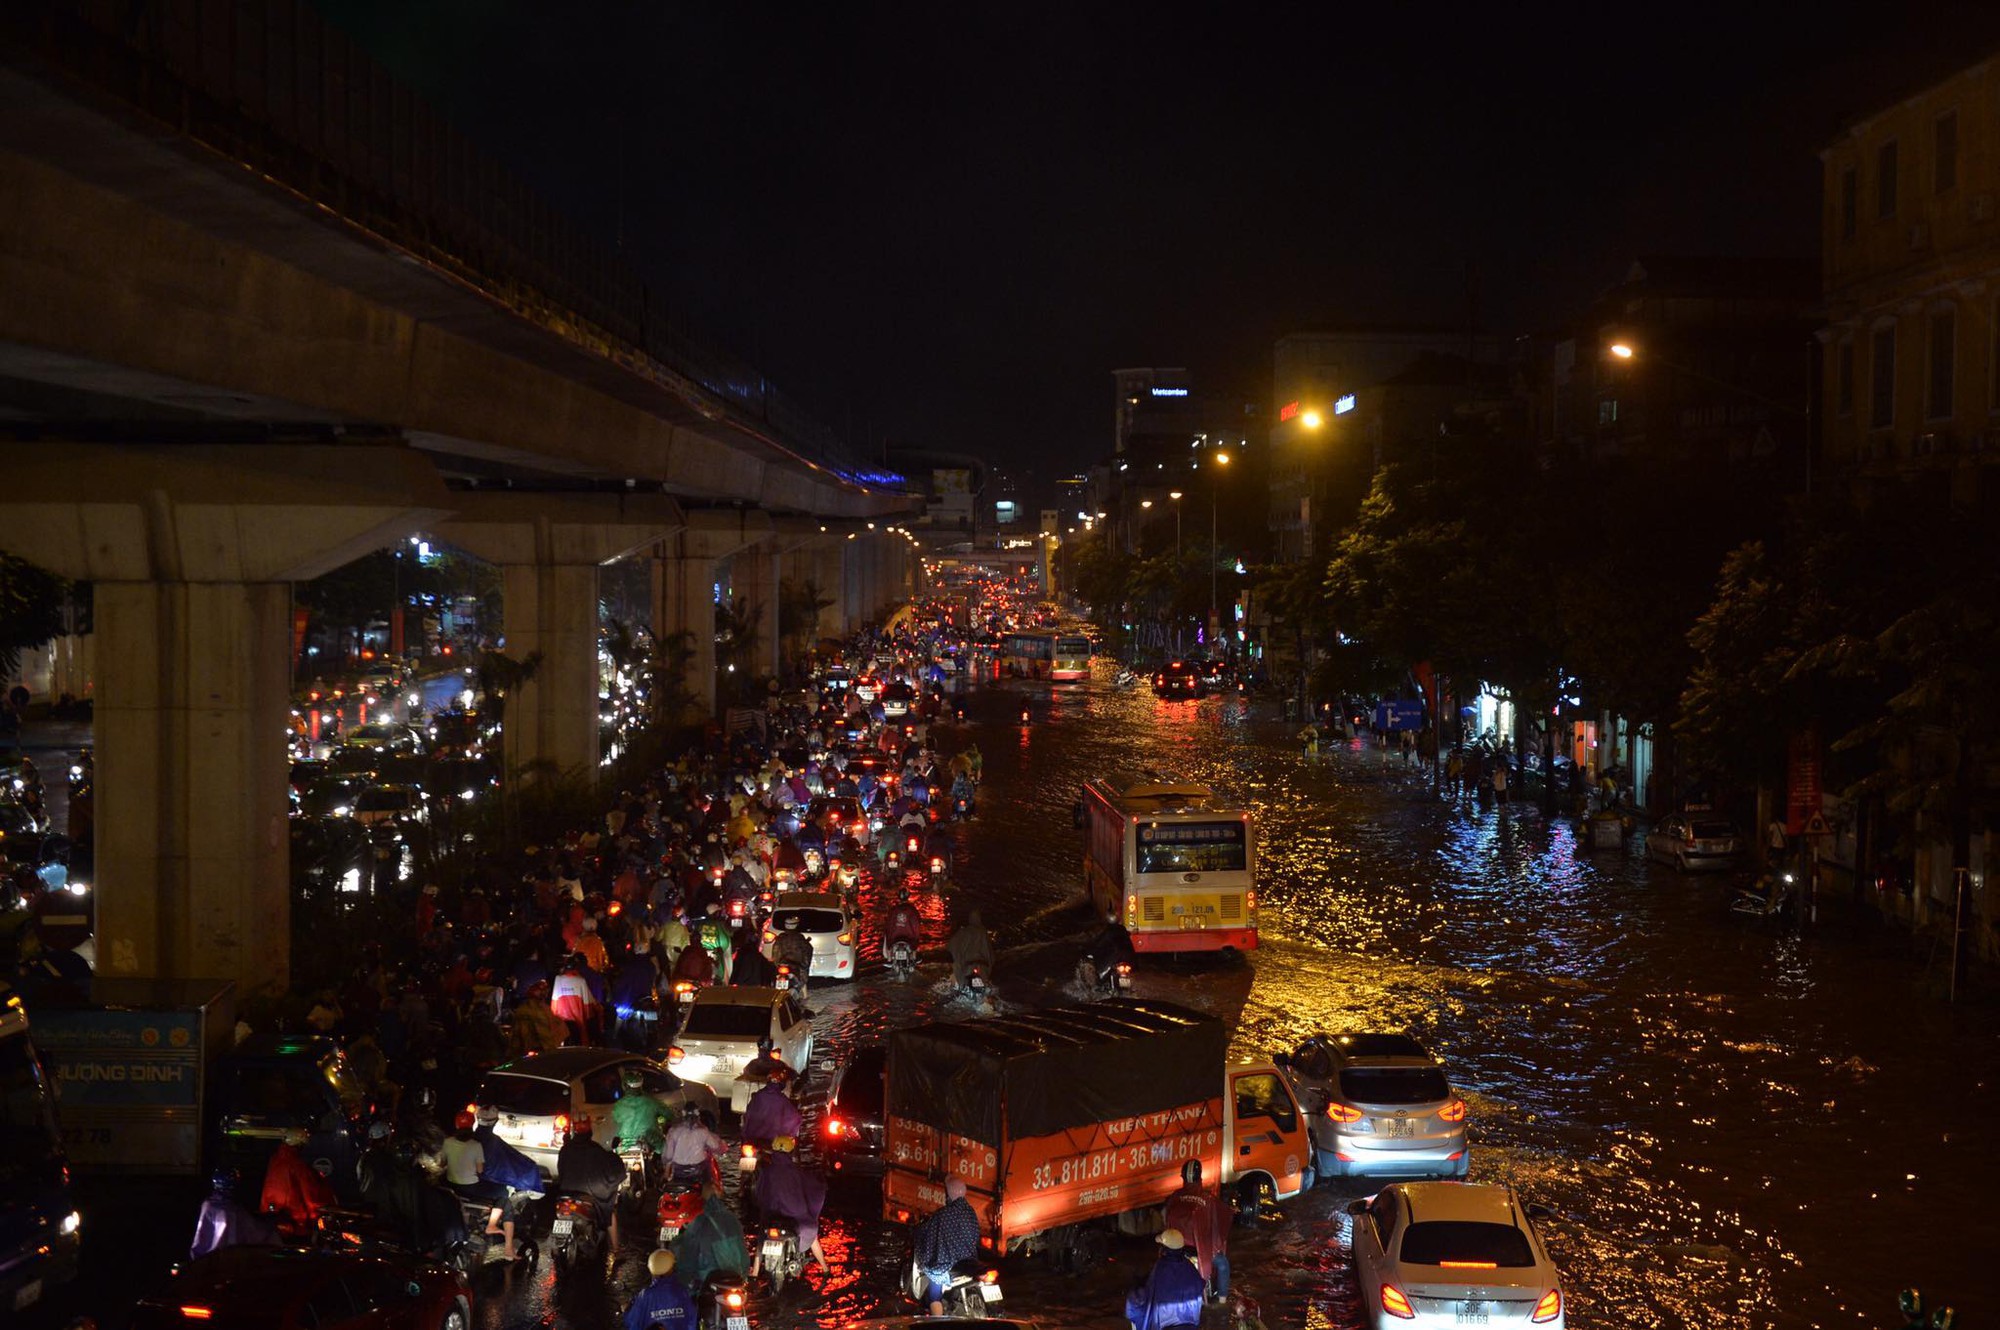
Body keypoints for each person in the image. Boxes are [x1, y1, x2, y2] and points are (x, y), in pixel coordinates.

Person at [748, 1136, 829, 1275]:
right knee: (812, 1233)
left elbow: (759, 1192)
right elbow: (811, 1187)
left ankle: (755, 1271)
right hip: (795, 1215)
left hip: (771, 1213)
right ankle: (825, 1268)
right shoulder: (796, 1172)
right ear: (790, 1152)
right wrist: (821, 1182)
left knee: (762, 1236)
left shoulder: (767, 1171)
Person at [472, 1106, 539, 1261]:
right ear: (494, 1121)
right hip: (479, 1184)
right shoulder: (492, 1142)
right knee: (506, 1200)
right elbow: (508, 1159)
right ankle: (508, 1248)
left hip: (462, 1182)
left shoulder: (469, 1139)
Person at [912, 1176, 983, 1315]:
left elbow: (929, 1236)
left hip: (949, 1264)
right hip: (969, 1261)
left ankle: (937, 1322)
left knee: (934, 1290)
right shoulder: (971, 1213)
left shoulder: (942, 1215)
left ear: (948, 1194)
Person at [556, 1114, 627, 1250]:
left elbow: (561, 1170)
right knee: (609, 1211)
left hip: (566, 1191)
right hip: (589, 1193)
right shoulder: (596, 1150)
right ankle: (616, 1249)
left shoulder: (565, 1149)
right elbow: (611, 1169)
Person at [1162, 1159, 1229, 1300]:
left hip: (1177, 1250)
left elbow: (1166, 1220)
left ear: (1183, 1177)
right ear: (1200, 1177)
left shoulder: (1174, 1197)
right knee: (1223, 1265)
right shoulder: (1209, 1199)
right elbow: (1219, 1224)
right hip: (1201, 1252)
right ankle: (1222, 1302)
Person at [1125, 1228, 1208, 1330]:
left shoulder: (1161, 1268)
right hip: (1190, 1322)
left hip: (1164, 1323)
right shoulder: (1189, 1267)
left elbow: (1150, 1292)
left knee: (1135, 1302)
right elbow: (1200, 1284)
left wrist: (1135, 1292)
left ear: (1164, 1249)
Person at [672, 1180, 748, 1287]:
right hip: (734, 1278)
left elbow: (687, 1253)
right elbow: (742, 1252)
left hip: (707, 1279)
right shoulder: (732, 1219)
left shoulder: (700, 1222)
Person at [190, 1167, 278, 1259]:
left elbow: (199, 1240)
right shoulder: (234, 1210)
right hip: (229, 1260)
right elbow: (256, 1233)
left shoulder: (208, 1205)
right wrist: (271, 1225)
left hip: (210, 1261)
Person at [259, 1140, 337, 1238]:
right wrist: (316, 1217)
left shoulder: (275, 1160)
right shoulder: (298, 1165)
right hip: (295, 1222)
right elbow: (309, 1195)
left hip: (271, 1219)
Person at [625, 1248, 698, 1330]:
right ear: (672, 1268)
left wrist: (628, 1309)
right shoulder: (682, 1291)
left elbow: (632, 1323)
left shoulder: (646, 1295)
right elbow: (692, 1321)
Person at [611, 1066, 672, 1156]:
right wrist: (661, 1120)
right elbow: (669, 1115)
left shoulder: (618, 1105)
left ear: (624, 1086)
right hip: (648, 1143)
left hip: (624, 1145)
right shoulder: (651, 1102)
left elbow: (616, 1120)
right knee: (668, 1152)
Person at [662, 1108, 726, 1186]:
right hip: (699, 1172)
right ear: (698, 1117)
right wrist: (723, 1146)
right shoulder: (703, 1131)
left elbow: (668, 1156)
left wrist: (666, 1173)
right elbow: (716, 1147)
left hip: (679, 1173)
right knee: (711, 1187)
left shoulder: (674, 1131)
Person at [740, 1069, 803, 1149]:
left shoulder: (758, 1096)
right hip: (773, 1142)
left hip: (752, 1140)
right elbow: (794, 1119)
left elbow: (748, 1116)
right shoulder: (782, 1100)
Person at [510, 979, 566, 1057]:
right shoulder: (542, 1010)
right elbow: (544, 1034)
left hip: (524, 1051)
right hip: (539, 1051)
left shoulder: (522, 1009)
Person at [947, 908, 995, 989]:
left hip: (968, 967)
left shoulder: (963, 932)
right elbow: (991, 955)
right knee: (982, 991)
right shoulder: (984, 933)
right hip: (982, 968)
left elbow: (951, 947)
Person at [1082, 919, 1135, 987]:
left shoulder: (1108, 932)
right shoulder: (1123, 932)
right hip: (1128, 958)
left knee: (1100, 977)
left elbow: (1099, 944)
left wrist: (1090, 952)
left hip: (1116, 958)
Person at [881, 890, 924, 958]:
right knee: (915, 942)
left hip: (895, 937)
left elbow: (889, 924)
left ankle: (889, 958)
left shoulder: (893, 910)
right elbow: (916, 924)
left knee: (887, 937)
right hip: (909, 937)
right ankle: (914, 957)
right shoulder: (912, 910)